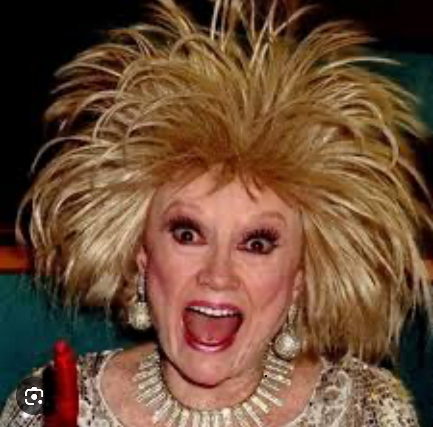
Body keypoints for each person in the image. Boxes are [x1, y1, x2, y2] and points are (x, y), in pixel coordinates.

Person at [1, 0, 432, 425]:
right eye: (187, 234)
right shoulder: (44, 397)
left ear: (299, 279)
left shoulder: (372, 408)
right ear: (142, 257)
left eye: (257, 244)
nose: (218, 274)